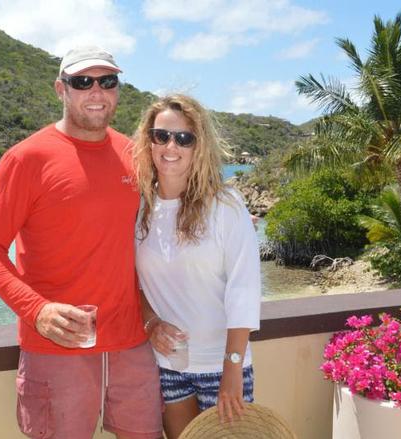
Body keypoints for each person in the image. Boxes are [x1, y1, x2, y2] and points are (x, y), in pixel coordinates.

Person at [0, 46, 163, 439]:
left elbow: (160, 225)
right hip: (57, 344)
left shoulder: (135, 154)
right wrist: (37, 311)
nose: (97, 92)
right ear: (61, 89)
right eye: (83, 82)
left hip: (131, 343)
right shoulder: (26, 159)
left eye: (107, 81)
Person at [131, 94, 261, 439]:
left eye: (183, 138)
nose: (171, 146)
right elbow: (135, 283)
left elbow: (244, 288)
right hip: (168, 363)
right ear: (149, 140)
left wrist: (232, 370)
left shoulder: (225, 205)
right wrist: (151, 321)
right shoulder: (140, 207)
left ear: (198, 145)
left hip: (223, 363)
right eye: (161, 136)